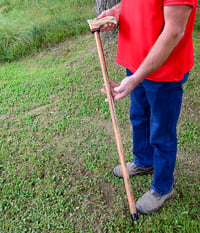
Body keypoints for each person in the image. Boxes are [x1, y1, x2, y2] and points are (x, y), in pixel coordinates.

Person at [97, 0, 197, 215]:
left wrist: (135, 79)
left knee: (162, 130)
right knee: (139, 116)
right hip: (135, 61)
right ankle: (143, 161)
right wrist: (115, 12)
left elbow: (173, 32)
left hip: (165, 71)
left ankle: (162, 187)